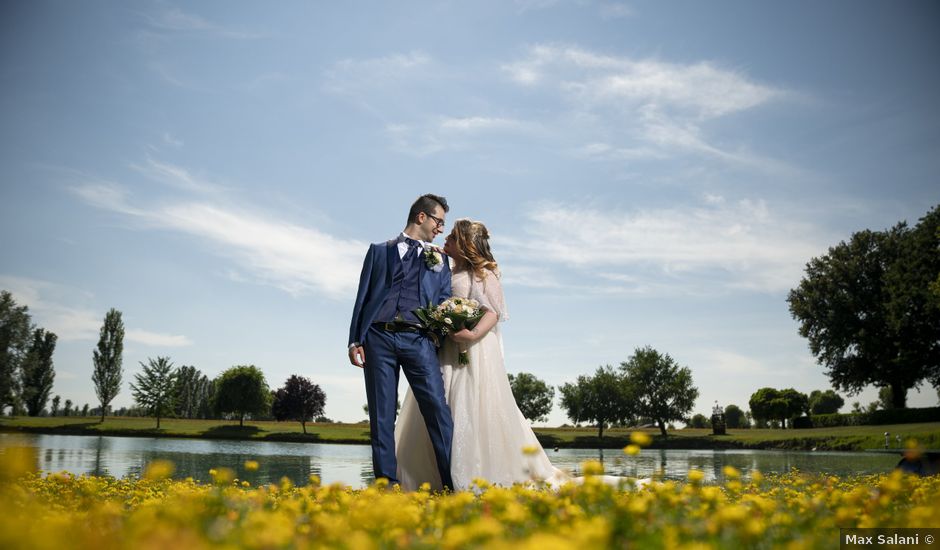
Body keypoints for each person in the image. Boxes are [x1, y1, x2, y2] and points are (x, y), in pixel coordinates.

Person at [395, 219, 573, 490]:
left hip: (476, 349)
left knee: (474, 403)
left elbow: (493, 312)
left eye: (452, 237)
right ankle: (429, 476)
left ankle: (480, 473)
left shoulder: (484, 275)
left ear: (465, 244)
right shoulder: (445, 270)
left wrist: (472, 334)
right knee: (438, 402)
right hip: (446, 348)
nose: (446, 240)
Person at [348, 193, 455, 490]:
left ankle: (450, 485)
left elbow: (445, 301)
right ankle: (387, 486)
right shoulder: (378, 251)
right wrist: (355, 339)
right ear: (422, 217)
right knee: (381, 415)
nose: (440, 229)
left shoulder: (441, 261)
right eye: (439, 221)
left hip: (419, 339)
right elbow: (363, 297)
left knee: (437, 409)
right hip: (378, 337)